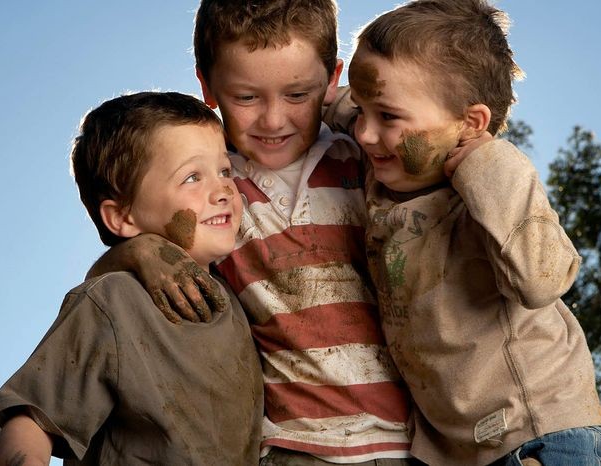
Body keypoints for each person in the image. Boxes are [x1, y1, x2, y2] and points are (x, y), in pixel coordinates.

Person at [87, 1, 414, 463]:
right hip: (295, 447)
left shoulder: (370, 157)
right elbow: (108, 272)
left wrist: (350, 105)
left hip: (419, 439)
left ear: (332, 78)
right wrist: (140, 251)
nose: (274, 120)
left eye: (298, 95)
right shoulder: (212, 192)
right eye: (246, 97)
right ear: (207, 85)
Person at [331, 0, 601, 464]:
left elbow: (541, 280)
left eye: (387, 116)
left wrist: (486, 161)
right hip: (457, 450)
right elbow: (338, 102)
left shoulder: (493, 182)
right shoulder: (390, 159)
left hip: (538, 433)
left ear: (470, 124)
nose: (363, 134)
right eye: (361, 111)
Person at [0, 91, 263, 465]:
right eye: (191, 177)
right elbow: (33, 420)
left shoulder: (243, 289)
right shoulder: (113, 302)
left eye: (224, 170)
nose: (223, 190)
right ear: (122, 218)